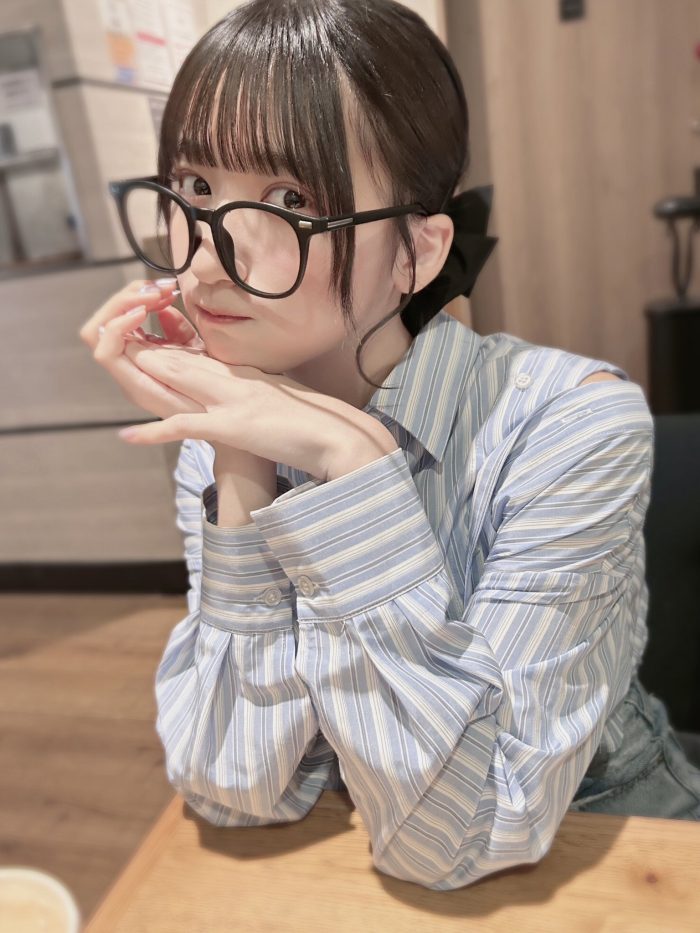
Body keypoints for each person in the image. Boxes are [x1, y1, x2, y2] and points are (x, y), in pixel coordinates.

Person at [79, 0, 700, 892]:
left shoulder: (570, 424)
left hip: (612, 847)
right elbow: (233, 789)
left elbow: (467, 831)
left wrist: (356, 477)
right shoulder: (228, 428)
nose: (207, 262)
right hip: (371, 857)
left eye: (291, 201)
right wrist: (241, 462)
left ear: (417, 251)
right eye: (197, 189)